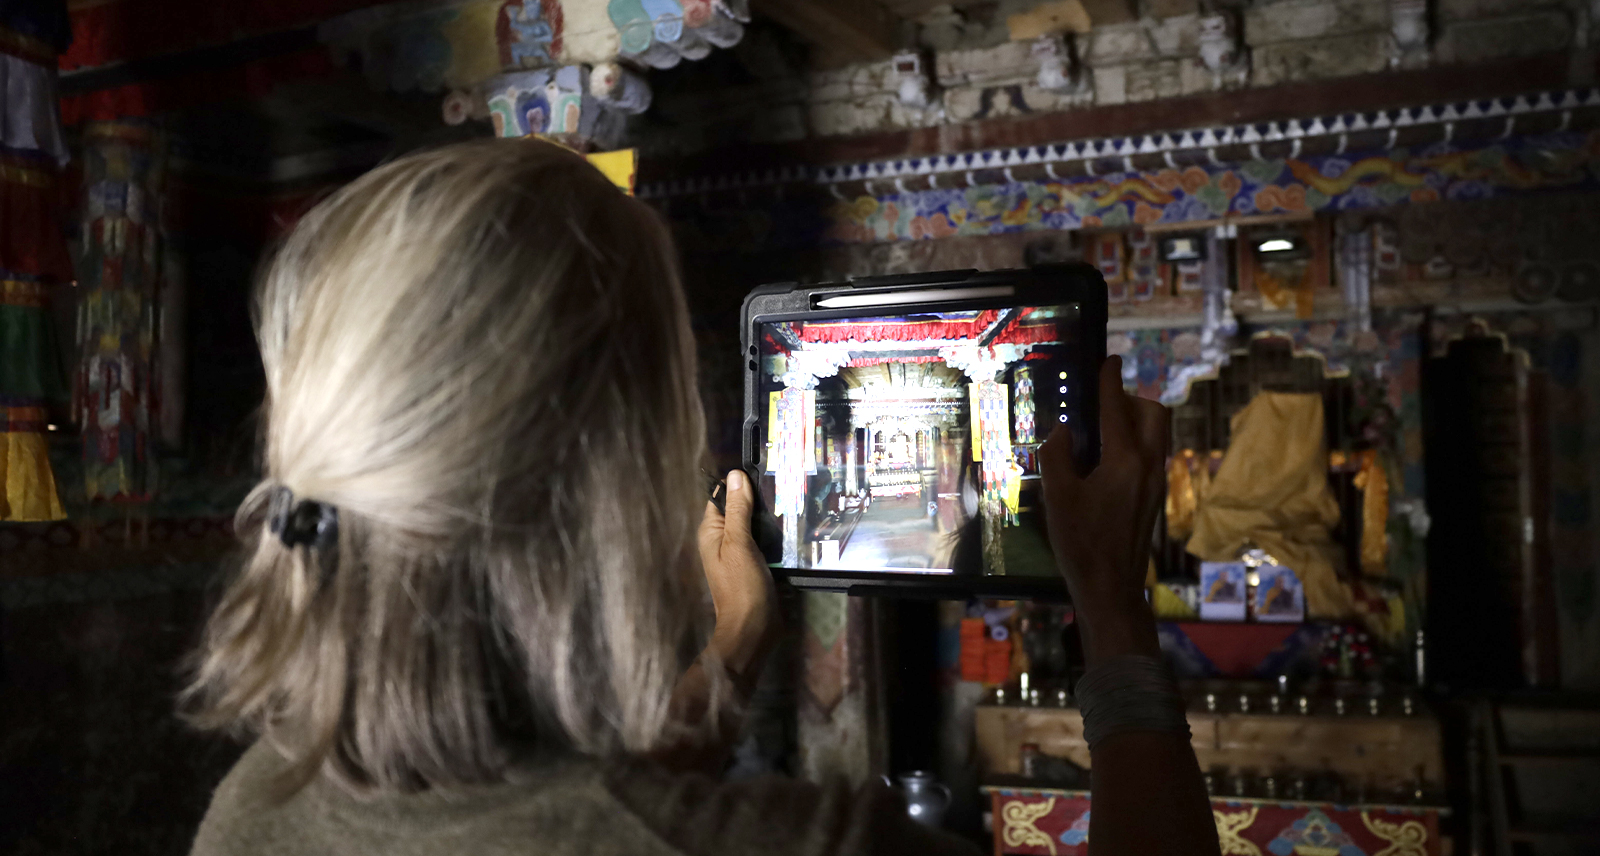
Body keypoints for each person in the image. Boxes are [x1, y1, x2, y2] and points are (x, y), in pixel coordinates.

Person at [183, 139, 1218, 856]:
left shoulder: (251, 808)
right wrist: (1115, 617)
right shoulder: (815, 844)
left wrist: (733, 647)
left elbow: (584, 809)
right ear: (609, 483)